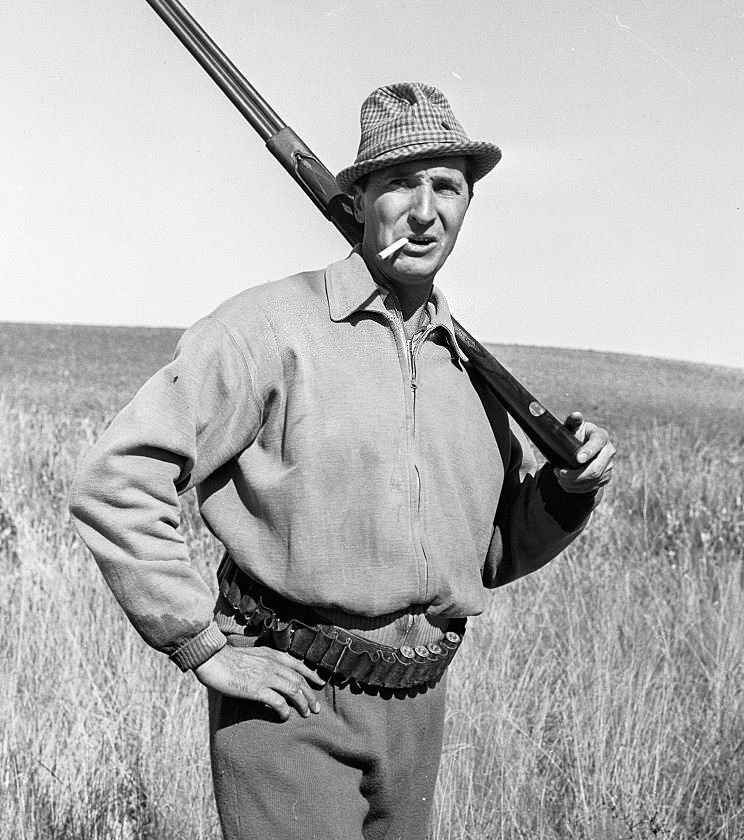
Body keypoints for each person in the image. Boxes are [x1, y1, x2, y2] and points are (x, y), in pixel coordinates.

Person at [70, 82, 615, 840]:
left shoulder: (467, 371)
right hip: (291, 705)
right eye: (399, 183)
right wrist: (203, 646)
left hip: (416, 711)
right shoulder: (266, 329)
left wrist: (565, 491)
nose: (426, 211)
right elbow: (115, 479)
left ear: (466, 205)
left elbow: (486, 552)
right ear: (358, 198)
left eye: (447, 186)